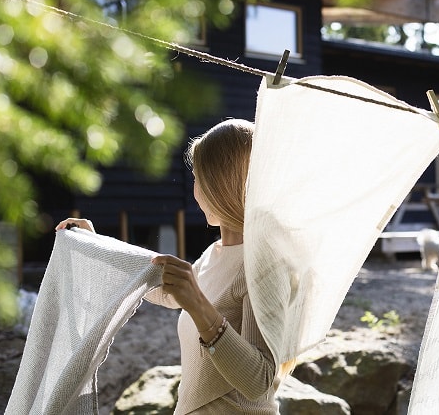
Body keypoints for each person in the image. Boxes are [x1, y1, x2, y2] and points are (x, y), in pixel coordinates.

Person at [56, 118, 291, 414]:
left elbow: (260, 381)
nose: (195, 190)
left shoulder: (266, 265)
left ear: (220, 183)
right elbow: (168, 289)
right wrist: (99, 246)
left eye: (198, 178)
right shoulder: (217, 253)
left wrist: (199, 307)